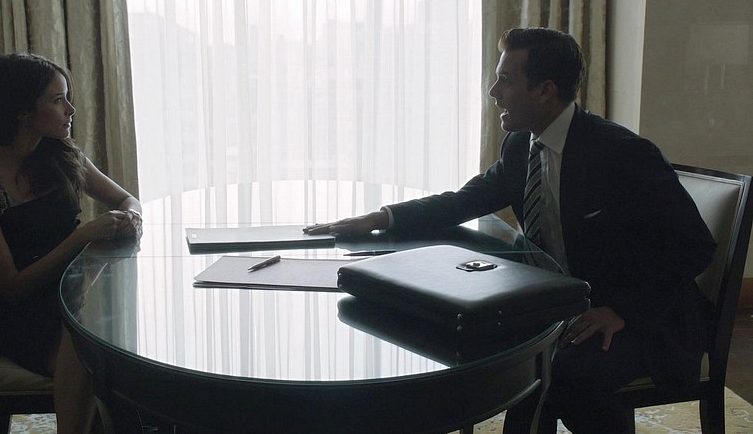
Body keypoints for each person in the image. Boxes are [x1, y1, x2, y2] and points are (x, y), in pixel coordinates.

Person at [304, 28, 717, 432]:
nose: (493, 92)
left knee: (559, 375)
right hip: (560, 302)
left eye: (506, 79)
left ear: (545, 90)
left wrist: (622, 310)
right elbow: (464, 201)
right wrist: (381, 218)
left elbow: (695, 246)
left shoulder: (621, 154)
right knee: (464, 336)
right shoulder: (521, 146)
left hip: (641, 315)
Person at [0, 53, 142, 433]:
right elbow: (12, 286)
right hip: (29, 319)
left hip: (78, 292)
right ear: (22, 112)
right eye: (58, 100)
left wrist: (131, 218)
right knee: (88, 339)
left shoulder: (63, 156)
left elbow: (127, 199)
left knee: (120, 331)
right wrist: (84, 235)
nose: (71, 109)